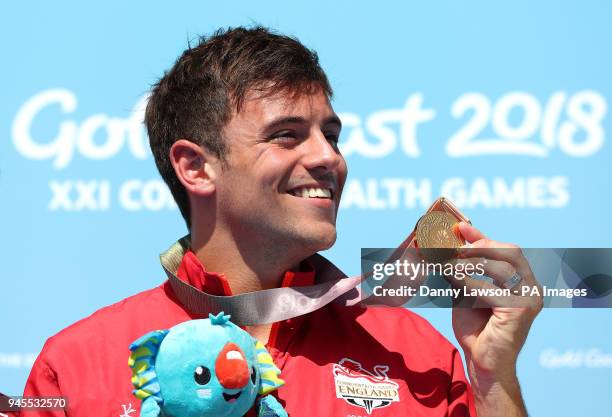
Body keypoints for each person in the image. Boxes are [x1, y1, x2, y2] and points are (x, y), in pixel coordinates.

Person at [22, 27, 541, 417]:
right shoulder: (76, 365)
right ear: (196, 167)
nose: (329, 158)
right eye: (287, 135)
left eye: (332, 135)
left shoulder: (420, 357)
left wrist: (494, 378)